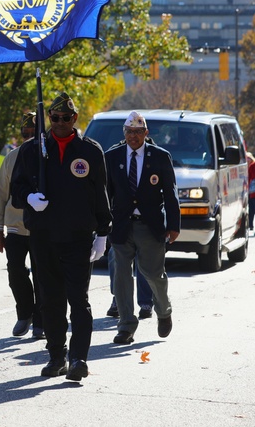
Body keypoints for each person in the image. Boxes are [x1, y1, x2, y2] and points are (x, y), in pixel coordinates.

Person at [11, 93, 111, 382]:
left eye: (66, 118)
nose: (60, 123)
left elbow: (100, 195)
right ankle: (57, 355)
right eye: (54, 118)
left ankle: (79, 358)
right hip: (42, 236)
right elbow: (16, 191)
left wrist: (103, 232)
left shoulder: (90, 151)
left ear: (75, 119)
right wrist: (30, 197)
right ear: (49, 119)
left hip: (78, 237)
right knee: (51, 300)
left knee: (78, 299)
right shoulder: (32, 150)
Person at [102, 111, 179, 347]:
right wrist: (102, 225)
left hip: (151, 225)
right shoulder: (112, 156)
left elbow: (170, 192)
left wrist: (173, 225)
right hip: (122, 226)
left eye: (138, 132)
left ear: (146, 133)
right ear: (123, 133)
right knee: (121, 277)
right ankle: (126, 326)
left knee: (153, 274)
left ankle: (163, 310)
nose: (133, 136)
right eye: (129, 132)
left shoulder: (159, 156)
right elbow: (106, 194)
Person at [0, 112, 44, 339]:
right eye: (25, 134)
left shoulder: (48, 156)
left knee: (43, 275)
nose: (29, 138)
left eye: (34, 134)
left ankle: (41, 321)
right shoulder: (12, 158)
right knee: (15, 272)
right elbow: (1, 194)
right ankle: (25, 313)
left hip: (43, 228)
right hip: (15, 226)